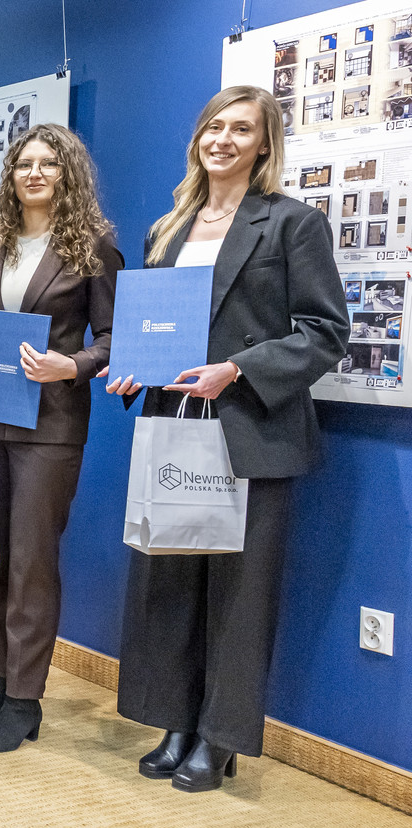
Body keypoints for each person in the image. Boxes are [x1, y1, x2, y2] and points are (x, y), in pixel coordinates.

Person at [107, 86, 347, 792]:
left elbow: (324, 333)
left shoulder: (293, 222)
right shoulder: (166, 229)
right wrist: (133, 367)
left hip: (252, 427)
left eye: (241, 129)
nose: (223, 139)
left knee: (240, 597)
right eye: (214, 126)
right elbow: (154, 325)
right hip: (175, 422)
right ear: (197, 139)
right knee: (169, 579)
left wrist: (238, 369)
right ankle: (176, 722)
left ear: (264, 144)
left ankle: (220, 738)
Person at [0, 123, 122, 752]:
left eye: (48, 163)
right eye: (24, 164)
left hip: (51, 427)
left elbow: (114, 338)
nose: (35, 173)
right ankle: (5, 681)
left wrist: (69, 364)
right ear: (11, 175)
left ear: (67, 173)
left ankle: (26, 699)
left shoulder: (93, 246)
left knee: (31, 563)